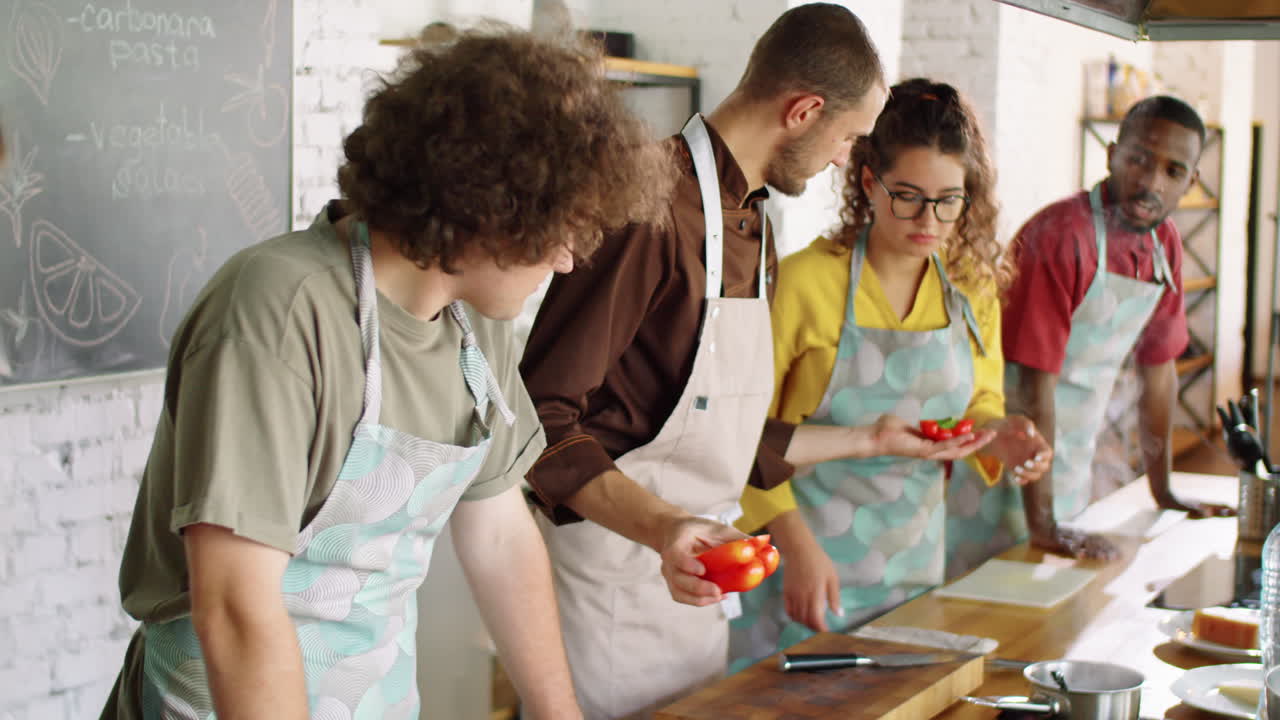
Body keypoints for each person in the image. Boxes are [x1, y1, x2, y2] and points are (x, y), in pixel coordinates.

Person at [99, 25, 674, 720]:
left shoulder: (475, 328)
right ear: (485, 212)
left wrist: (559, 714)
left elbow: (498, 536)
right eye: (559, 232)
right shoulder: (280, 310)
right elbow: (237, 609)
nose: (567, 261)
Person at [518, 6, 990, 718]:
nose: (843, 158)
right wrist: (662, 530)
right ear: (803, 111)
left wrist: (870, 439)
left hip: (694, 579)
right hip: (615, 589)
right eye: (849, 138)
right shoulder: (648, 207)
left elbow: (721, 436)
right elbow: (539, 419)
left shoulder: (753, 221)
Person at [726, 79, 1053, 667]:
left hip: (914, 562)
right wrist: (795, 546)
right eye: (908, 195)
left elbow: (979, 401)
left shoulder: (970, 289)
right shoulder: (805, 283)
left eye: (949, 200)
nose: (929, 219)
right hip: (800, 562)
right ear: (868, 183)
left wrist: (1002, 435)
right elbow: (739, 434)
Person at [1003, 95, 1234, 561]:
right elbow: (1032, 385)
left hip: (1074, 455)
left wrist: (1163, 490)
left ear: (1192, 181)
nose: (1151, 182)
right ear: (1112, 156)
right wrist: (1043, 523)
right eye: (1139, 160)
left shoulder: (1164, 245)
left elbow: (1159, 372)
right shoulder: (1061, 235)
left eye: (1173, 171)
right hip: (1009, 455)